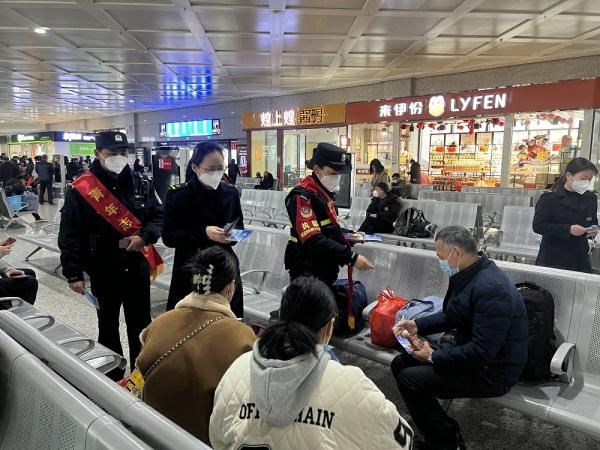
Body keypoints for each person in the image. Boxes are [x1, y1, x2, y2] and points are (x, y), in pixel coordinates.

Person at [210, 276, 413, 450]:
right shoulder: (352, 384)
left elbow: (217, 438)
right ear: (329, 328)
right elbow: (400, 443)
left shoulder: (238, 369)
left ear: (281, 316)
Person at [391, 226, 528, 450]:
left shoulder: (492, 289)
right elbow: (454, 313)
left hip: (494, 371)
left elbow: (483, 352)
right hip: (473, 356)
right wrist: (416, 324)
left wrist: (433, 357)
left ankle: (446, 443)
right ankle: (442, 430)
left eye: (440, 257)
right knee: (400, 364)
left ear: (456, 252)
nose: (440, 262)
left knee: (411, 379)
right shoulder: (469, 274)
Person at [58, 131, 163, 379]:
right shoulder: (82, 188)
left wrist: (145, 237)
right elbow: (70, 233)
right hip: (102, 265)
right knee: (108, 325)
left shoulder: (141, 182)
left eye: (123, 153)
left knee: (141, 323)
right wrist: (73, 273)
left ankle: (142, 375)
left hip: (136, 262)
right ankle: (112, 376)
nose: (119, 157)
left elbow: (159, 215)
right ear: (97, 154)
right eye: (112, 153)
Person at [137, 246, 256, 445]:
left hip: (147, 434)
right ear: (230, 288)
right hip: (201, 441)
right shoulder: (242, 338)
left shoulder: (159, 323)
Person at [162, 142, 245, 315]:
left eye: (220, 168)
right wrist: (203, 232)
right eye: (210, 169)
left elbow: (240, 229)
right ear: (195, 167)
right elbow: (169, 237)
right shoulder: (178, 196)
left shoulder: (230, 193)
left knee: (228, 323)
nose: (216, 173)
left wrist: (231, 236)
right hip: (191, 267)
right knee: (189, 324)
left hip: (225, 267)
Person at [284, 143, 374, 289]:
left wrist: (350, 235)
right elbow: (313, 238)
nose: (337, 178)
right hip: (307, 273)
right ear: (317, 169)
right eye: (333, 173)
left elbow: (327, 228)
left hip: (324, 269)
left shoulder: (323, 194)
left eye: (339, 174)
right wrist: (352, 258)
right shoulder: (303, 197)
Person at [533, 157, 598, 272]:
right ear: (569, 175)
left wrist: (594, 229)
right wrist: (568, 229)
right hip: (553, 256)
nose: (586, 182)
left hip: (580, 256)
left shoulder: (591, 198)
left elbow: (593, 221)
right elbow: (538, 226)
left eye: (589, 179)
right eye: (583, 178)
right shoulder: (549, 199)